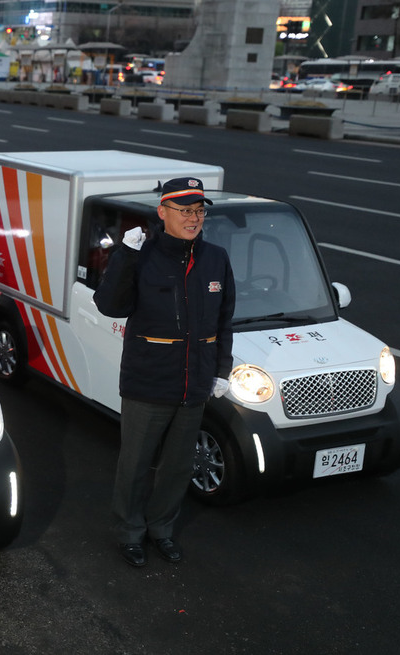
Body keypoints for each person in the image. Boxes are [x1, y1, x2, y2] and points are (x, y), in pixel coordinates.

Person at [93, 177, 234, 568]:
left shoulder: (216, 258)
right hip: (147, 382)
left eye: (199, 210)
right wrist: (124, 256)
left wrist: (222, 370)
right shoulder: (143, 254)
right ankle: (130, 533)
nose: (194, 218)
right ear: (162, 212)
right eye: (185, 210)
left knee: (177, 466)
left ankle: (162, 530)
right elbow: (110, 306)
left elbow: (224, 320)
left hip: (195, 383)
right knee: (136, 465)